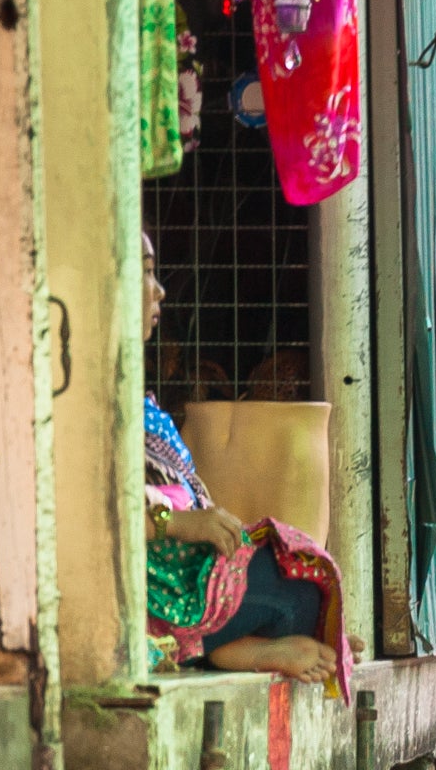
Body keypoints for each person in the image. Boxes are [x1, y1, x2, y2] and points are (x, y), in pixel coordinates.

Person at [142, 235, 356, 690]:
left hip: (187, 568)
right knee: (298, 588)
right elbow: (95, 513)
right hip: (162, 587)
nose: (159, 290)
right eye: (144, 272)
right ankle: (232, 647)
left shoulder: (134, 400)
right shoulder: (91, 401)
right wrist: (177, 523)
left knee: (305, 577)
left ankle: (270, 637)